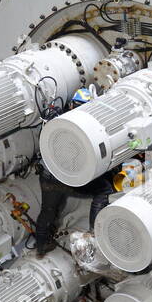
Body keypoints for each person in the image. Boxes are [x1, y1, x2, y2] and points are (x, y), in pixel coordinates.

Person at [34, 87, 114, 255]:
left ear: (71, 105)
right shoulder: (84, 128)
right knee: (104, 190)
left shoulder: (57, 121)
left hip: (48, 177)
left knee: (47, 210)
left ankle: (40, 246)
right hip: (67, 179)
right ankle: (94, 234)